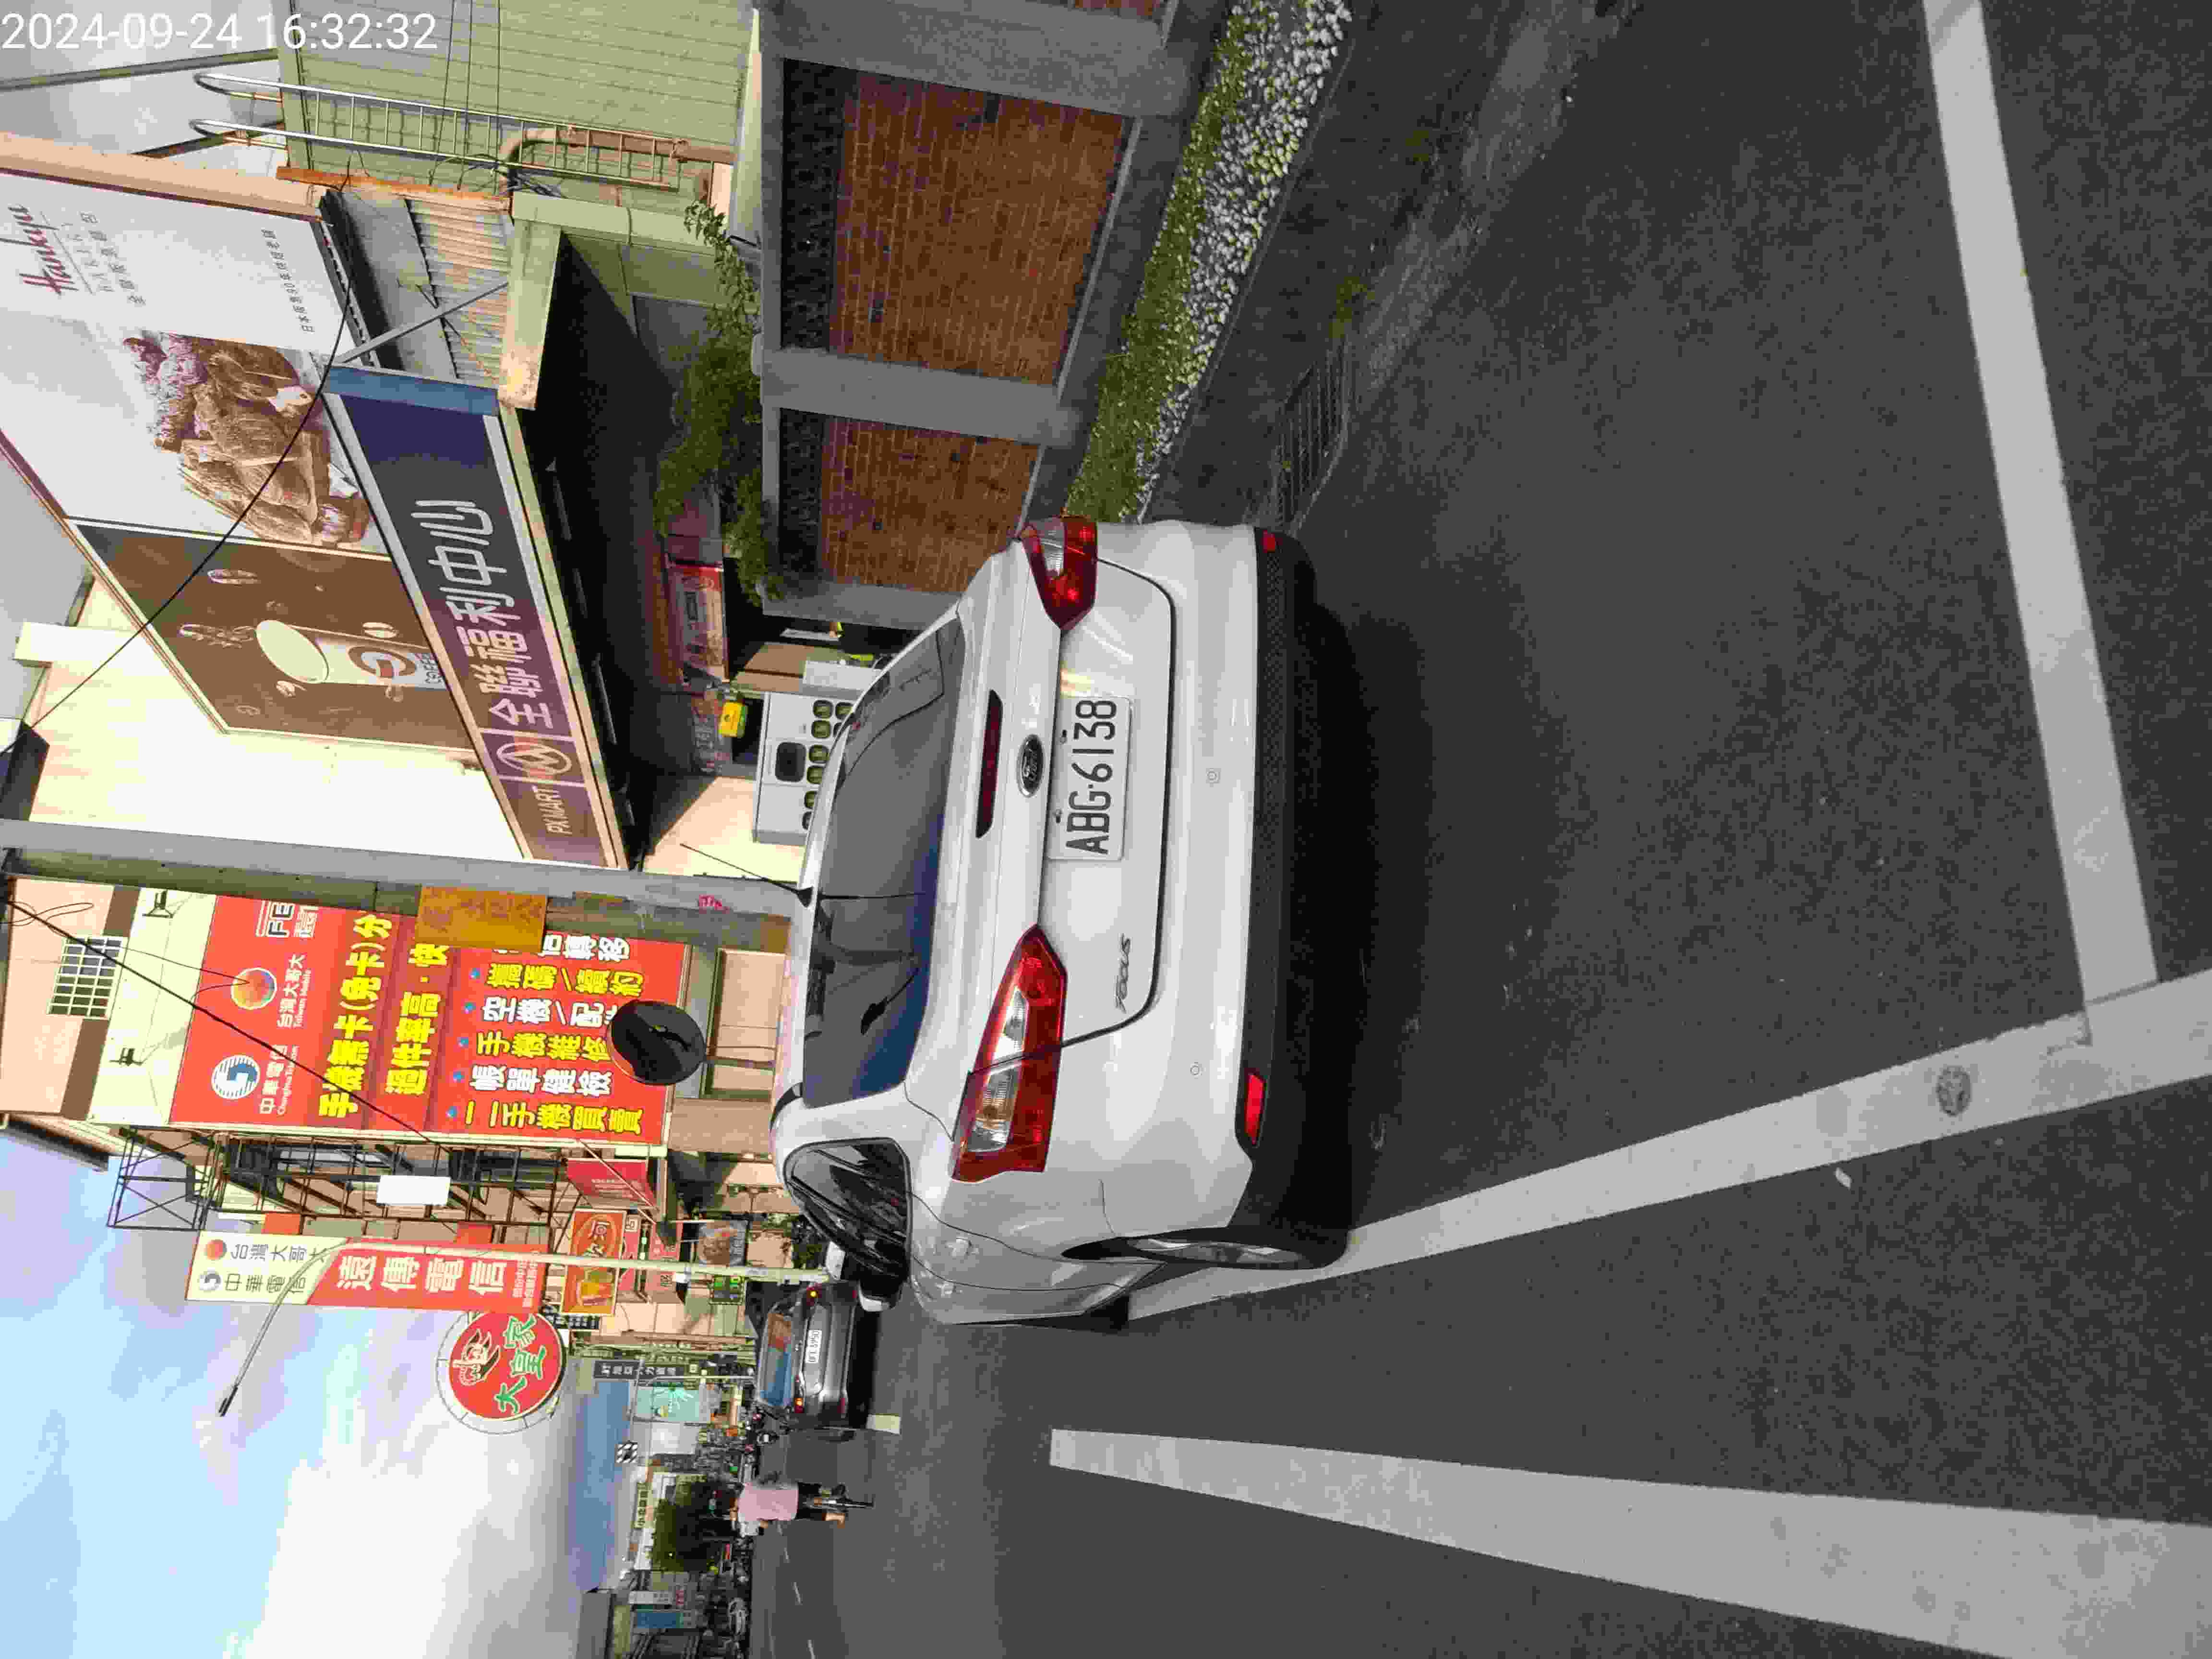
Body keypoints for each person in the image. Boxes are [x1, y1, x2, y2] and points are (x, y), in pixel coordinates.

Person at [735, 1475, 851, 1530]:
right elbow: (768, 1476)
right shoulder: (749, 1487)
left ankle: (839, 1516)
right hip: (791, 1491)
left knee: (810, 1514)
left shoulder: (744, 1516)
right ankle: (832, 1492)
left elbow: (766, 1525)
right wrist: (774, 1476)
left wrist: (767, 1518)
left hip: (788, 1511)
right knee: (811, 1489)